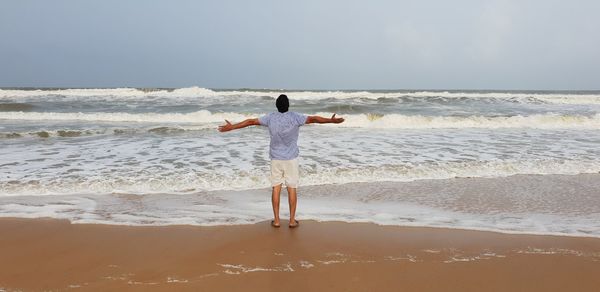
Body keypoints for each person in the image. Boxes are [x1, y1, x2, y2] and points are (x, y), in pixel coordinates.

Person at [218, 94, 345, 228]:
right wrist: (331, 121)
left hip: (275, 159)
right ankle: (291, 221)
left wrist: (232, 127)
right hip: (291, 159)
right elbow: (314, 119)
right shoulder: (295, 117)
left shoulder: (270, 117)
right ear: (288, 105)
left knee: (276, 188)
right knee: (292, 189)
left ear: (277, 106)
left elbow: (250, 121)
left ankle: (277, 221)